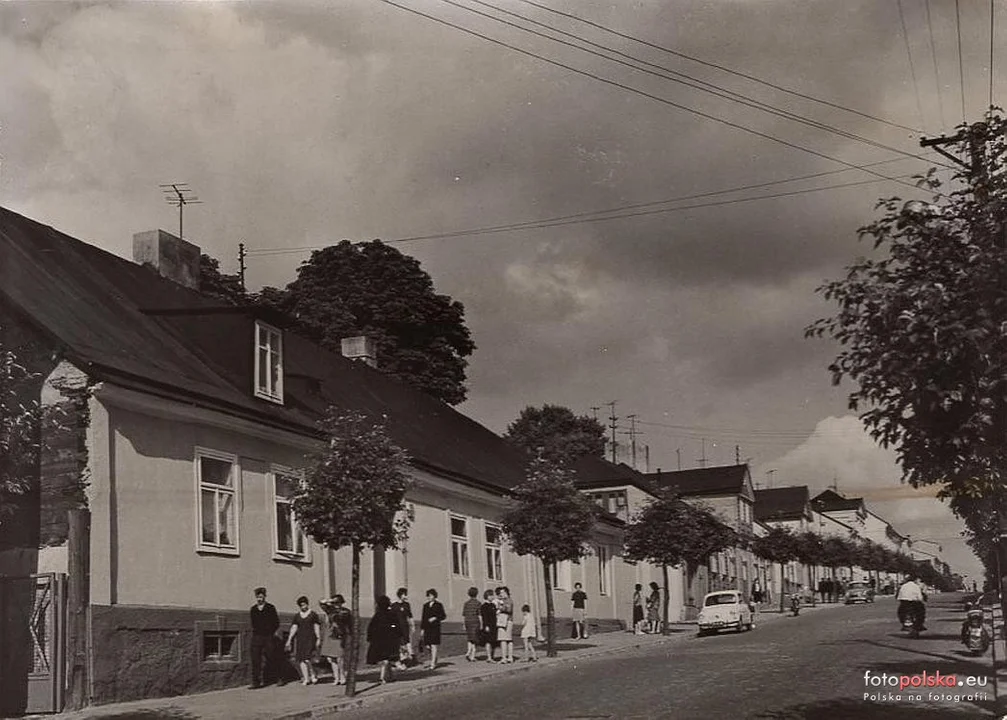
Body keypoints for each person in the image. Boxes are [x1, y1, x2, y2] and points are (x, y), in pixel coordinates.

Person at [249, 587, 283, 689]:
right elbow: (253, 623)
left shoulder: (270, 608)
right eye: (258, 597)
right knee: (255, 659)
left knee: (272, 657)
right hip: (257, 636)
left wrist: (270, 632)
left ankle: (279, 678)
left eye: (261, 597)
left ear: (264, 597)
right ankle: (256, 682)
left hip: (268, 636)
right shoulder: (253, 609)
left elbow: (276, 622)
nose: (259, 599)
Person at [284, 595, 321, 686]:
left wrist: (318, 638)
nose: (303, 607)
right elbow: (294, 627)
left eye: (304, 605)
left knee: (308, 659)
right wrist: (289, 639)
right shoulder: (297, 616)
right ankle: (306, 678)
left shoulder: (313, 614)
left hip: (310, 638)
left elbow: (316, 626)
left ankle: (313, 674)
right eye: (301, 605)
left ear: (307, 604)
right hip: (300, 639)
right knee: (301, 659)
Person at [366, 595, 401, 684]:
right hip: (390, 640)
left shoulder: (377, 615)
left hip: (379, 640)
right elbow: (396, 626)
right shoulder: (391, 614)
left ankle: (385, 677)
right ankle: (388, 677)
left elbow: (371, 627)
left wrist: (370, 637)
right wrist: (395, 633)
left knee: (384, 660)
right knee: (387, 659)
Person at [318, 594, 352, 686]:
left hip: (339, 635)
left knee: (340, 658)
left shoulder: (345, 611)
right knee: (331, 658)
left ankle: (342, 676)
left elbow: (345, 620)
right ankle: (336, 677)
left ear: (341, 602)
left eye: (337, 602)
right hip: (330, 635)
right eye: (334, 603)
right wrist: (328, 601)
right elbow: (321, 604)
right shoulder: (330, 610)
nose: (336, 604)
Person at [420, 588, 447, 670]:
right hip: (427, 628)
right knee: (428, 646)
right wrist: (422, 629)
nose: (430, 597)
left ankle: (432, 663)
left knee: (434, 644)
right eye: (428, 596)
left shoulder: (438, 605)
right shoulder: (425, 606)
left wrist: (435, 618)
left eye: (431, 595)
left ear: (435, 596)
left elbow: (443, 616)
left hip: (435, 627)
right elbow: (423, 618)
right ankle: (434, 658)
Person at [390, 587, 414, 669]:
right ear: (400, 595)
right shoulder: (394, 606)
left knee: (406, 642)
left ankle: (406, 659)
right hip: (397, 628)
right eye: (404, 595)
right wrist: (392, 627)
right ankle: (399, 661)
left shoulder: (407, 605)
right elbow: (391, 618)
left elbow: (410, 616)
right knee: (399, 644)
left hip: (405, 627)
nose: (406, 596)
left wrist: (412, 625)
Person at [495, 586, 515, 663]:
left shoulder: (508, 601)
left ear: (506, 592)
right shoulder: (504, 601)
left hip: (505, 621)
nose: (501, 594)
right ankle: (510, 657)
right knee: (508, 639)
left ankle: (504, 658)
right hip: (508, 620)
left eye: (503, 592)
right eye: (500, 593)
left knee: (503, 639)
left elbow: (509, 609)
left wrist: (500, 608)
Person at [462, 587, 482, 661]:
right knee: (475, 639)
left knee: (469, 638)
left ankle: (469, 651)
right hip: (475, 622)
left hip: (468, 621)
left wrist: (464, 624)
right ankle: (472, 655)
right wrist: (481, 624)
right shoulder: (478, 603)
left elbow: (464, 615)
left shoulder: (466, 603)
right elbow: (479, 614)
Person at [480, 589, 500, 662]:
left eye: (492, 595)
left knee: (494, 641)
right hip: (488, 625)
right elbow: (484, 617)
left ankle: (492, 656)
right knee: (488, 641)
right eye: (491, 595)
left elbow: (495, 614)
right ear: (487, 596)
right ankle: (489, 657)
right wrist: (486, 626)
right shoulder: (484, 606)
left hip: (494, 625)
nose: (492, 597)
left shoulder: (493, 605)